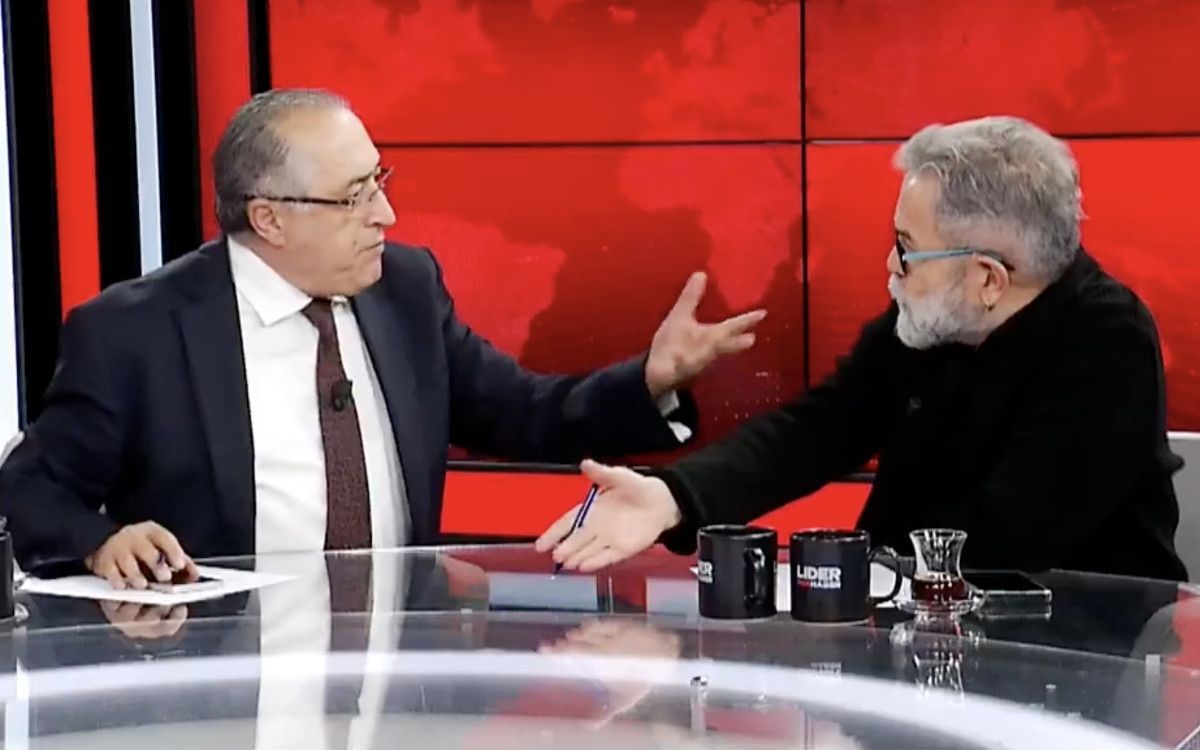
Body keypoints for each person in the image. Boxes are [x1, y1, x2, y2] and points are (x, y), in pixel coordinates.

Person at [0, 89, 766, 589]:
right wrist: (103, 541)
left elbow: (524, 412)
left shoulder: (405, 289)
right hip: (216, 676)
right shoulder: (134, 332)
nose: (385, 216)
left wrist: (651, 381)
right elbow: (31, 489)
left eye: (380, 181)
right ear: (269, 218)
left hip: (393, 671)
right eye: (353, 197)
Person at [538, 115, 1187, 581]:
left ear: (988, 278)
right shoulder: (933, 316)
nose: (890, 266)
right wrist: (674, 497)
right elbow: (817, 429)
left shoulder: (1110, 342)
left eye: (907, 248)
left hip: (1079, 655)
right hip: (912, 623)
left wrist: (845, 575)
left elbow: (1010, 535)